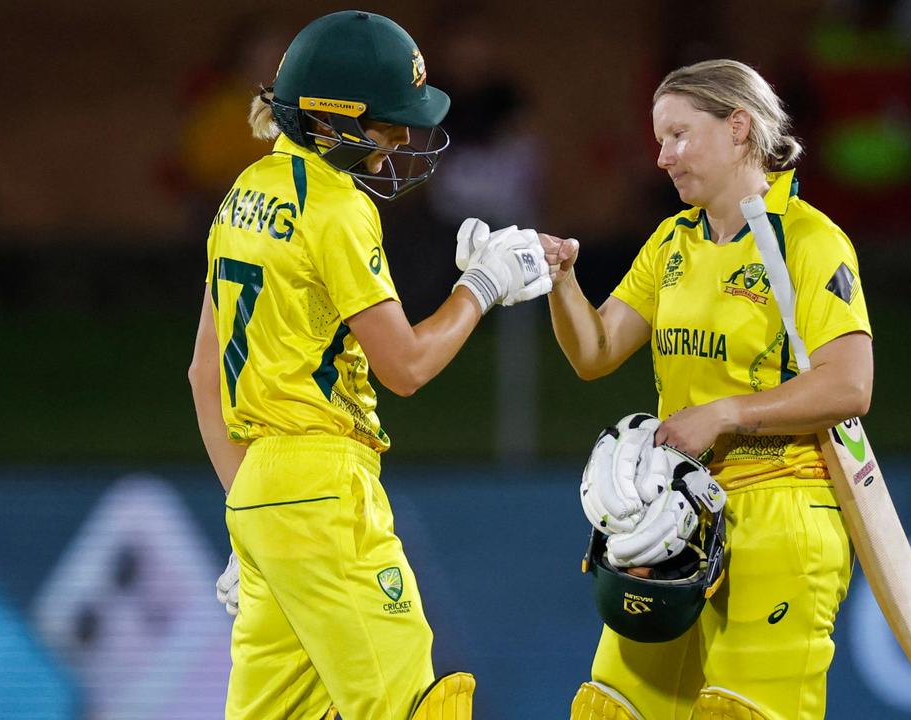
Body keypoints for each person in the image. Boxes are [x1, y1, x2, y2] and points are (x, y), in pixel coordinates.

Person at [187, 11, 552, 720]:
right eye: (386, 124)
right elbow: (406, 366)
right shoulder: (336, 206)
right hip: (325, 489)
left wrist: (250, 510)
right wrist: (482, 287)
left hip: (259, 486)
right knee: (414, 708)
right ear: (334, 121)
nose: (396, 144)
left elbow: (204, 375)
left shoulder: (242, 194)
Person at [543, 59, 872, 719]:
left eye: (679, 136)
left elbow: (849, 385)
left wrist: (723, 415)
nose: (662, 157)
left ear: (739, 128)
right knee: (609, 710)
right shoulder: (672, 243)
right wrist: (562, 281)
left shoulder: (809, 240)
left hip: (782, 512)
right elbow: (595, 352)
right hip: (677, 523)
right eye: (660, 139)